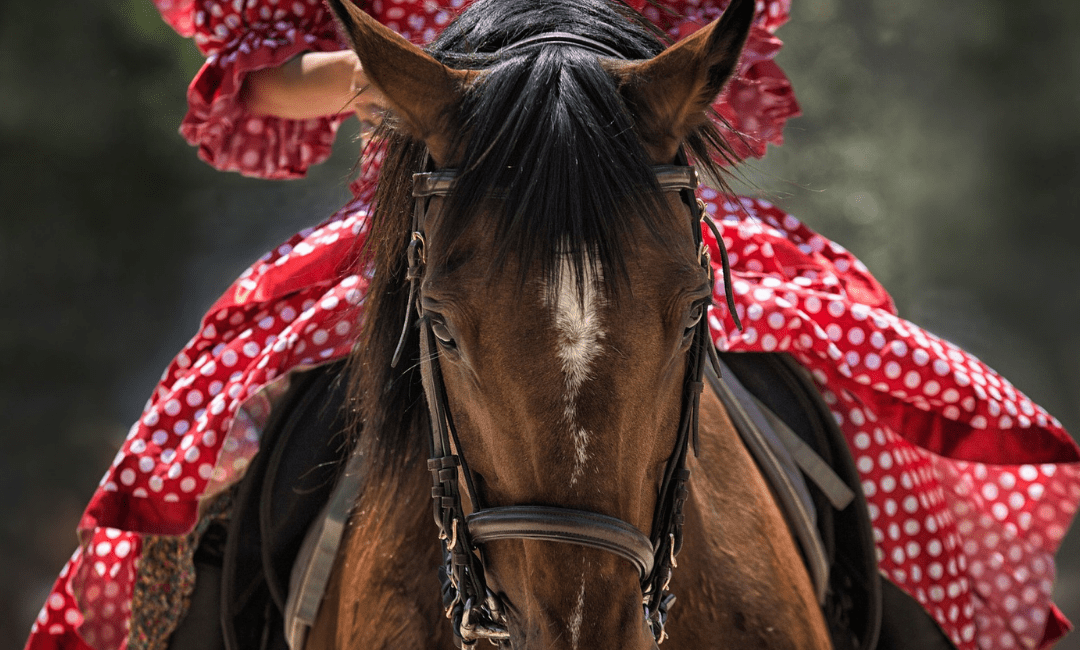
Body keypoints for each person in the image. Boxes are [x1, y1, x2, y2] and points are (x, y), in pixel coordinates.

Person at [25, 1, 1080, 650]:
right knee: (217, 437)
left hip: (619, 184)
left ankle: (902, 614)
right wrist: (432, 81)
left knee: (863, 376)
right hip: (441, 194)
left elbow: (715, 46)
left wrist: (584, 75)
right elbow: (259, 74)